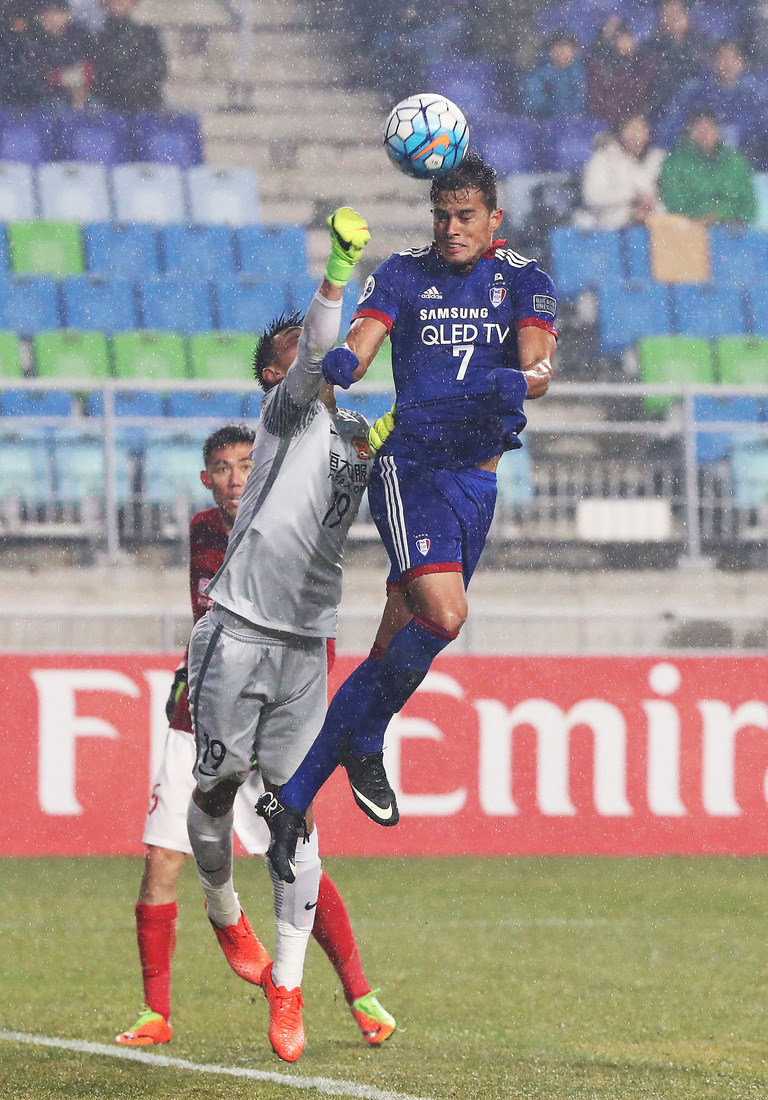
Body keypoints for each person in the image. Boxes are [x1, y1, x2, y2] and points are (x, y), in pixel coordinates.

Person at [259, 152, 556, 876]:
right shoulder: (401, 272)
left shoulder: (525, 281)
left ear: (494, 220)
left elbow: (540, 368)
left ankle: (297, 795)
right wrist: (343, 364)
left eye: (465, 217)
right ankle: (362, 743)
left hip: (478, 483)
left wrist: (511, 377)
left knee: (400, 637)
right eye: (441, 217)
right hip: (410, 469)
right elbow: (364, 338)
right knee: (444, 616)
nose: (451, 229)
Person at [185, 207, 390, 1064]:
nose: (298, 372)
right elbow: (315, 349)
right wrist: (339, 269)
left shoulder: (351, 436)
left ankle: (290, 987)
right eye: (286, 367)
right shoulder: (284, 417)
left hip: (306, 648)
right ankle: (226, 912)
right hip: (237, 633)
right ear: (273, 380)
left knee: (292, 817)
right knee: (216, 793)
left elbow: (384, 457)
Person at [116, 423, 395, 1051]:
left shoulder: (294, 526)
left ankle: (358, 990)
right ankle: (155, 1011)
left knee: (294, 849)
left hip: (274, 712)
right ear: (206, 477)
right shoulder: (203, 532)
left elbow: (302, 629)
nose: (236, 478)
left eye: (246, 465)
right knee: (162, 858)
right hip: (204, 714)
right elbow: (213, 619)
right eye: (223, 468)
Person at [657, 40, 767, 154]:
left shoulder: (754, 95)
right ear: (714, 62)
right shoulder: (694, 91)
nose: (728, 63)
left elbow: (761, 129)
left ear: (742, 62)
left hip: (744, 160)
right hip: (695, 157)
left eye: (733, 58)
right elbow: (671, 125)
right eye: (723, 58)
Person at [659, 109, 757, 224]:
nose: (705, 132)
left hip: (731, 230)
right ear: (690, 131)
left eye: (710, 126)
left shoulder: (736, 162)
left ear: (718, 130)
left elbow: (748, 202)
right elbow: (673, 201)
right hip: (691, 229)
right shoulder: (675, 163)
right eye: (699, 127)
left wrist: (724, 217)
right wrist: (700, 217)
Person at [577, 112, 665, 229]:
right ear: (620, 131)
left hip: (654, 224)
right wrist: (633, 196)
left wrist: (649, 207)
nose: (636, 135)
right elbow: (592, 196)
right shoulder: (604, 157)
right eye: (631, 128)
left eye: (641, 129)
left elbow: (665, 198)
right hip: (612, 225)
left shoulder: (657, 158)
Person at [640, 0, 711, 122]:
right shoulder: (652, 44)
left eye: (676, 13)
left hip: (695, 104)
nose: (673, 18)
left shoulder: (701, 40)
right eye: (667, 14)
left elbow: (701, 70)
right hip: (661, 105)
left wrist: (679, 40)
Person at [92, 0, 166, 112]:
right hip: (109, 106)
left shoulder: (147, 34)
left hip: (145, 104)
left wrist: (135, 82)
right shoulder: (98, 37)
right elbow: (97, 72)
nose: (120, 2)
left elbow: (157, 68)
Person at [587, 21, 652, 130]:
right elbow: (597, 100)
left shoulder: (643, 65)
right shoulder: (601, 67)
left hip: (635, 120)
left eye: (628, 39)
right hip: (608, 122)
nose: (625, 44)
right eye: (621, 40)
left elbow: (647, 96)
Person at [32, 0, 95, 111]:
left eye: (58, 13)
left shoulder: (81, 36)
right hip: (45, 97)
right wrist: (59, 78)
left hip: (82, 94)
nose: (53, 18)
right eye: (48, 13)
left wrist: (82, 89)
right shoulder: (33, 38)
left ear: (67, 15)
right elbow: (32, 74)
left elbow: (90, 66)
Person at [522, 30, 586, 119]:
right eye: (561, 47)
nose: (566, 52)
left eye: (571, 48)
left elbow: (580, 101)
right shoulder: (539, 74)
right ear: (551, 49)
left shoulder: (577, 73)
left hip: (572, 125)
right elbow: (533, 103)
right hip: (543, 125)